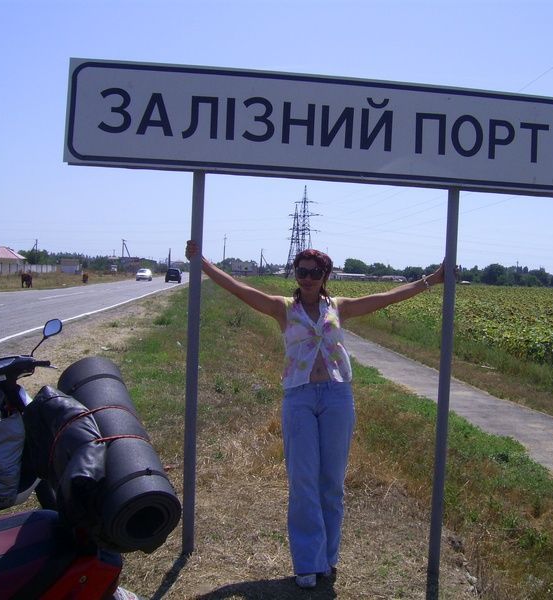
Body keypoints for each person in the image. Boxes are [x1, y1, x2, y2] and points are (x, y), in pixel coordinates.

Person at [185, 241, 446, 589]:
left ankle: (328, 559)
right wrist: (203, 263)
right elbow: (239, 289)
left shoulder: (339, 307)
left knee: (332, 484)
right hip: (300, 397)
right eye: (302, 271)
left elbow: (387, 296)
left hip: (337, 396)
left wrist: (433, 279)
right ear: (295, 273)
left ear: (326, 275)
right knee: (303, 481)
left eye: (315, 272)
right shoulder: (282, 308)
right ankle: (308, 563)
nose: (307, 278)